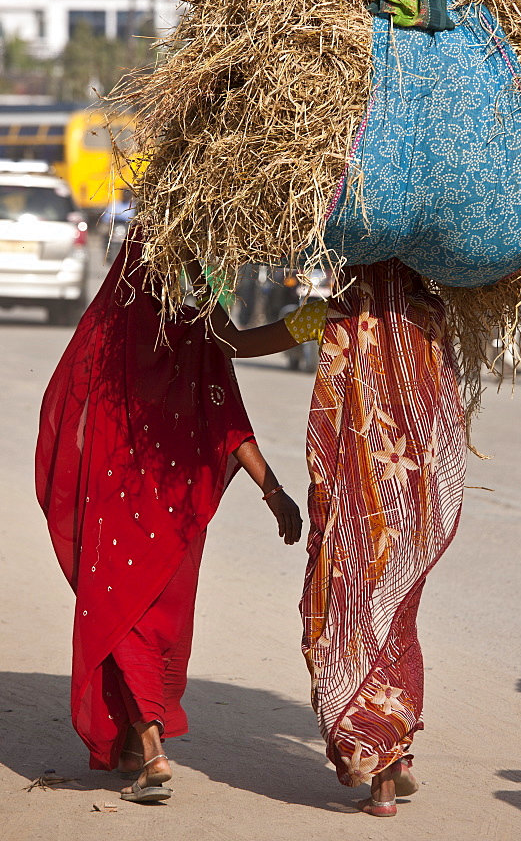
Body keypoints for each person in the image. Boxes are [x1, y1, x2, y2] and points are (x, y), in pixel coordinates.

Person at [191, 257, 467, 817]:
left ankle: (376, 761)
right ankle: (393, 759)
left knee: (345, 623)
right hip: (415, 513)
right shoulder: (432, 318)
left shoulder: (326, 315)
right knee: (396, 625)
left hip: (351, 511)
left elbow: (236, 345)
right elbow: (447, 420)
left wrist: (203, 289)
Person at [35, 239, 302, 804]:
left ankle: (151, 749)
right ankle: (143, 743)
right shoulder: (196, 328)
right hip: (178, 518)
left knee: (121, 615)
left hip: (119, 505)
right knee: (160, 628)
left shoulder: (110, 337)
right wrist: (273, 491)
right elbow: (228, 415)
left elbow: (66, 413)